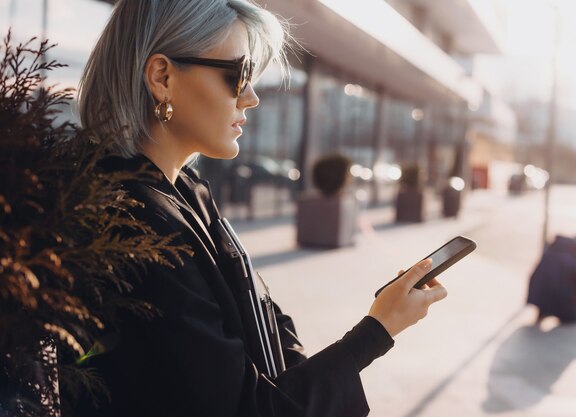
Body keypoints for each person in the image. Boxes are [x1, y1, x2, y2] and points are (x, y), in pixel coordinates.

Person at [77, 1, 447, 416]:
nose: (251, 98)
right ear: (162, 77)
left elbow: (267, 323)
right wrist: (378, 330)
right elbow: (244, 407)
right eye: (237, 76)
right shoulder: (135, 220)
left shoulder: (186, 189)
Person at [527, 235, 576, 324]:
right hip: (566, 303)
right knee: (570, 322)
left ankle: (541, 317)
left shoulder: (552, 251)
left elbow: (537, 276)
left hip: (544, 299)